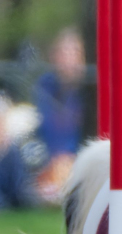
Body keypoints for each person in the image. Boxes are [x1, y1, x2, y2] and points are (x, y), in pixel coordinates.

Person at [34, 28, 87, 161]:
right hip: (50, 159)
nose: (67, 59)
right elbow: (45, 126)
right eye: (63, 53)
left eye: (74, 52)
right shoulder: (45, 85)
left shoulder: (89, 89)